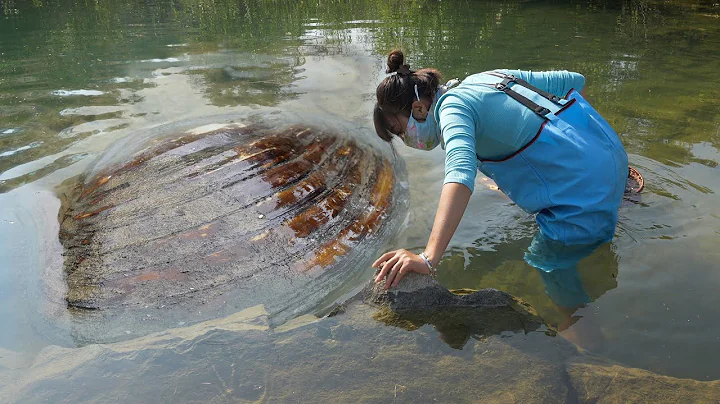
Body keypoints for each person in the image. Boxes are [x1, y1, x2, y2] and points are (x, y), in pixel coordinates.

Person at [371, 50, 630, 289]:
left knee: (547, 264)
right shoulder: (482, 79)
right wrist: (591, 154)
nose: (405, 139)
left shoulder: (451, 109)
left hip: (583, 191)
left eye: (398, 129)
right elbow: (573, 81)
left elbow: (460, 175)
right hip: (612, 158)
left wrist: (428, 258)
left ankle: (581, 333)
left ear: (418, 109)